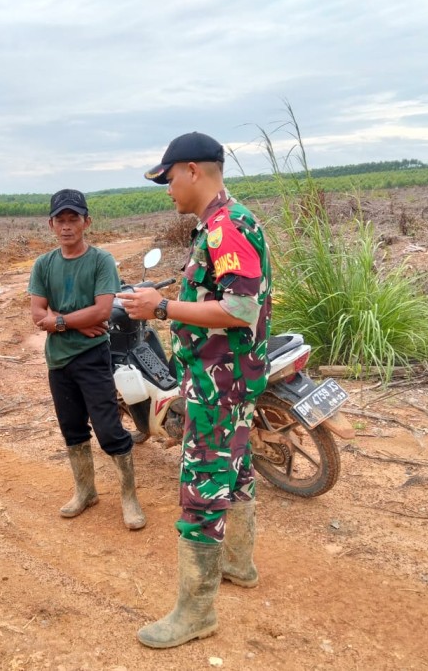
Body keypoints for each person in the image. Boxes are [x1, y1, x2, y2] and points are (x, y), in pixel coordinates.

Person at [117, 132, 272, 648]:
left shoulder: (226, 227)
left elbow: (239, 308)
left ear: (191, 171)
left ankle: (197, 611)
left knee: (202, 488)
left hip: (217, 381)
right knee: (238, 468)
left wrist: (160, 310)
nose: (167, 190)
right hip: (233, 377)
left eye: (168, 179)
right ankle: (239, 564)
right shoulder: (224, 222)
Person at [28, 189, 146, 531]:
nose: (67, 227)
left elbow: (104, 310)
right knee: (72, 428)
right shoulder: (43, 265)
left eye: (73, 219)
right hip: (58, 361)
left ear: (86, 222)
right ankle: (86, 491)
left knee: (109, 429)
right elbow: (38, 314)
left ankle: (129, 496)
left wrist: (60, 320)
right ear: (51, 224)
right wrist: (74, 321)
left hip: (92, 356)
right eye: (60, 220)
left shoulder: (100, 261)